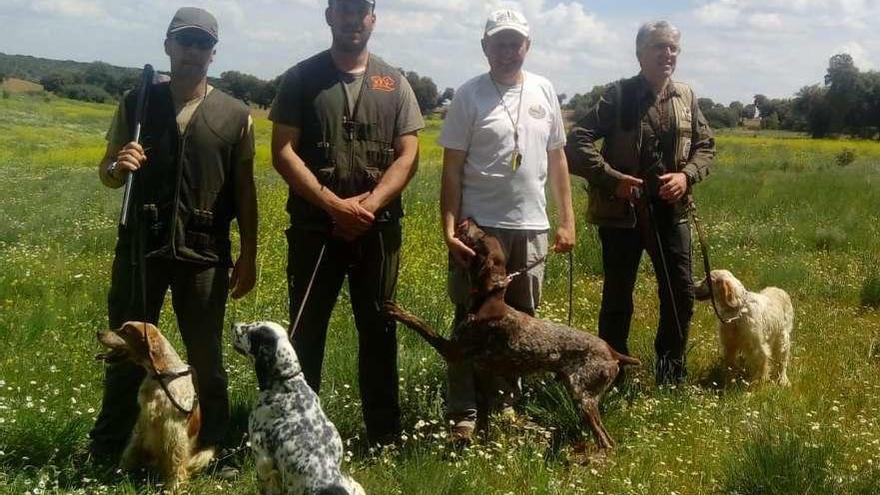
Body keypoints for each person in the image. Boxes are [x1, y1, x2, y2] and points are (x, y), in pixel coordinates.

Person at [89, 7, 257, 460]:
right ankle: (110, 444)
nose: (193, 51)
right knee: (127, 350)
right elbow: (106, 172)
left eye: (202, 43)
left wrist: (249, 254)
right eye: (184, 41)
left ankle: (214, 444)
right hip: (141, 245)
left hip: (204, 251)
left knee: (205, 356)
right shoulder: (136, 103)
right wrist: (116, 166)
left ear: (213, 53)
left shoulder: (237, 114)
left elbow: (244, 190)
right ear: (168, 45)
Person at [269, 0, 424, 446]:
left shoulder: (394, 82)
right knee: (305, 332)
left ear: (372, 19)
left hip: (377, 231)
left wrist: (369, 205)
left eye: (361, 12)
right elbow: (282, 151)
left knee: (379, 330)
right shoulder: (301, 78)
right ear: (329, 16)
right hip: (315, 230)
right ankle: (299, 435)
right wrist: (333, 205)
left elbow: (408, 154)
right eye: (345, 10)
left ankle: (384, 436)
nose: (353, 19)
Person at [439, 8, 575, 441]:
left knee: (522, 323)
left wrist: (566, 220)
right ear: (484, 47)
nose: (507, 51)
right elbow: (451, 168)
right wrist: (448, 229)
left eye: (515, 43)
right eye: (499, 43)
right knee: (470, 320)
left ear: (527, 47)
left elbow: (557, 159)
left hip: (532, 226)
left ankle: (506, 410)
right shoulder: (469, 96)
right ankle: (464, 411)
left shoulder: (544, 91)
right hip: (480, 232)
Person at [565, 21, 715, 385]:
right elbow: (577, 142)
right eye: (659, 47)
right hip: (624, 214)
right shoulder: (618, 95)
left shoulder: (687, 97)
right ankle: (609, 374)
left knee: (680, 294)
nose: (667, 55)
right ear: (639, 53)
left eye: (673, 49)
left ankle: (670, 373)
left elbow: (705, 147)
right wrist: (613, 180)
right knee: (618, 295)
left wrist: (686, 176)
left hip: (672, 213)